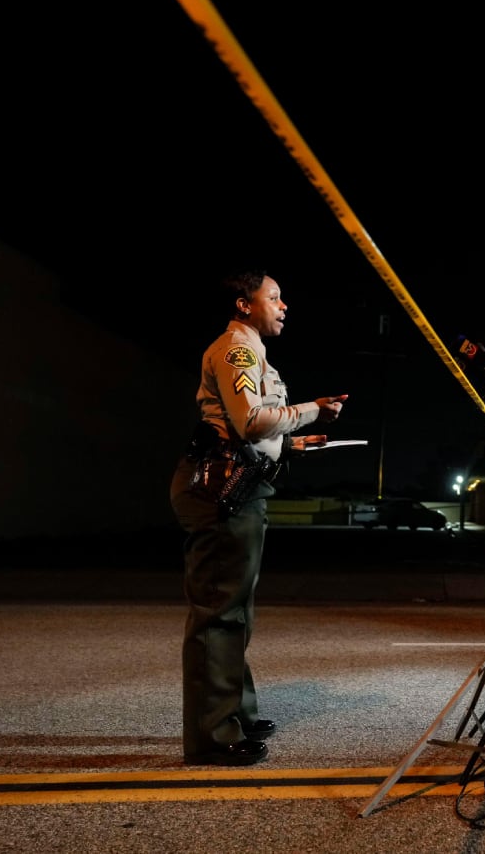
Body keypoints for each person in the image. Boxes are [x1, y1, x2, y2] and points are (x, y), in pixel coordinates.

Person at [169, 270, 348, 766]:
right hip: (219, 490)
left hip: (238, 484)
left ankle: (236, 713)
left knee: (236, 611)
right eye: (274, 296)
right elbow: (250, 422)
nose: (284, 304)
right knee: (219, 614)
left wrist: (293, 443)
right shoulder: (237, 351)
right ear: (244, 305)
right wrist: (312, 409)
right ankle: (211, 737)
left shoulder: (253, 352)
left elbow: (252, 428)